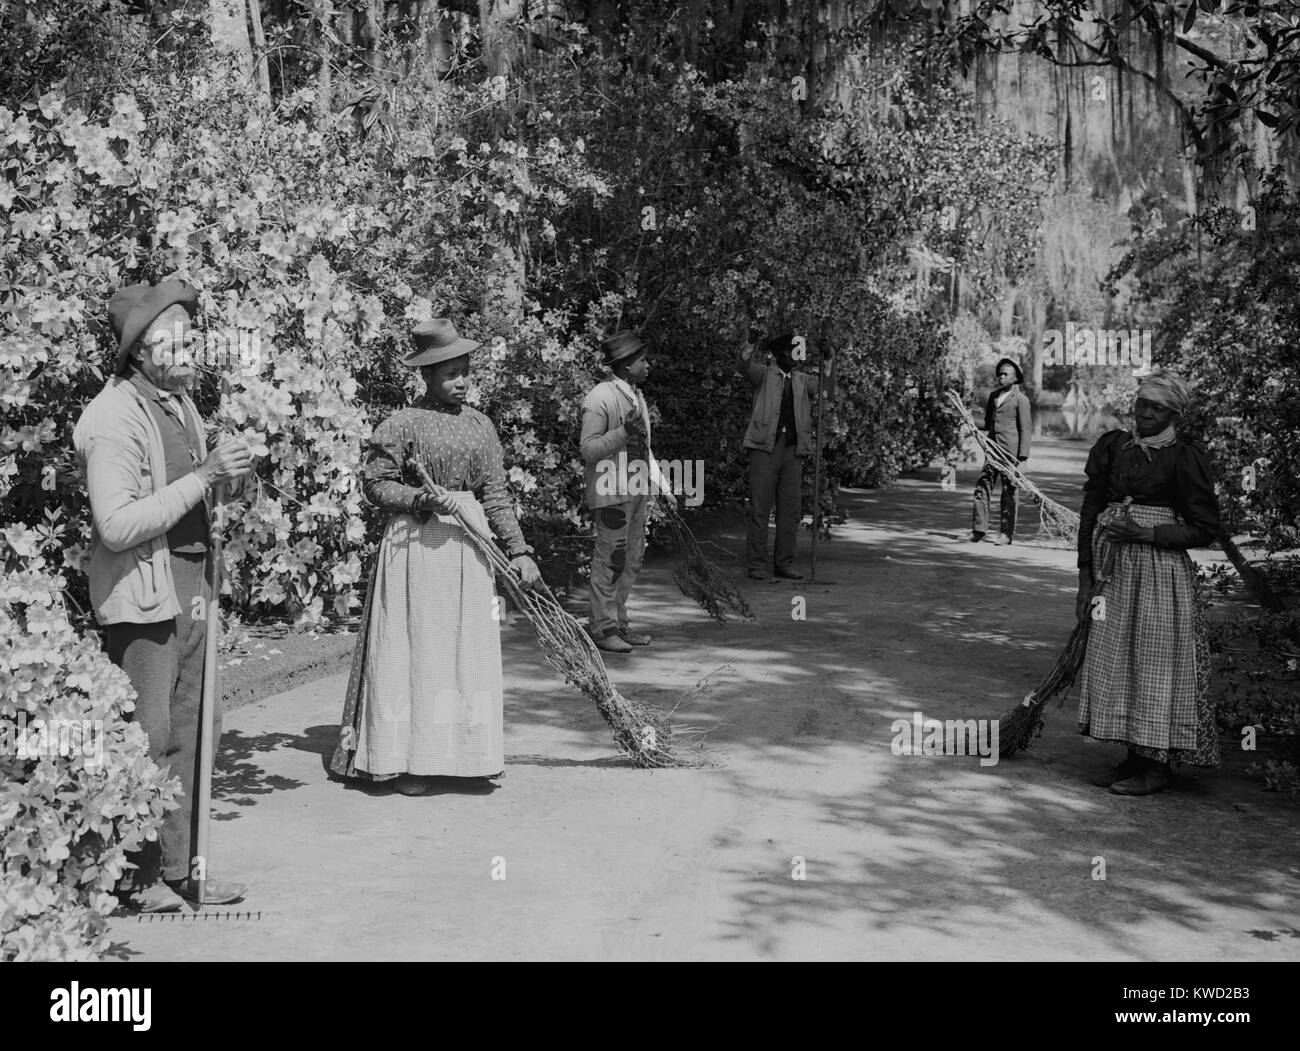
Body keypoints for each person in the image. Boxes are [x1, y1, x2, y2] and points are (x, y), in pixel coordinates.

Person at [73, 277, 253, 913]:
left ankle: (183, 869)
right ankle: (125, 878)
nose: (187, 352)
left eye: (190, 340)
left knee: (192, 727)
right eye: (172, 342)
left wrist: (229, 478)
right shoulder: (112, 417)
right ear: (138, 352)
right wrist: (205, 476)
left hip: (193, 582)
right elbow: (117, 524)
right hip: (143, 591)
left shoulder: (180, 405)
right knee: (144, 735)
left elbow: (197, 497)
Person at [331, 319, 541, 796]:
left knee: (465, 651)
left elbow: (496, 494)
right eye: (450, 374)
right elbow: (374, 484)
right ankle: (409, 761)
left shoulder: (480, 425)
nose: (461, 381)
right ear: (425, 376)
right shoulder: (402, 423)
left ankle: (468, 757)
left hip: (468, 550)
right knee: (416, 650)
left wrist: (520, 550)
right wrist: (420, 499)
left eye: (465, 371)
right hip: (416, 549)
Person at [1074, 370, 1222, 796]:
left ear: (1174, 412)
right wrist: (1085, 578)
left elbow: (1204, 528)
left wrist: (1147, 533)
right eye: (1142, 403)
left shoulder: (1184, 456)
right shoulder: (1113, 447)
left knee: (1156, 663)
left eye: (1157, 407)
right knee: (1119, 660)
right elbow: (1090, 509)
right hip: (1113, 572)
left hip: (1160, 575)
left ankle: (1157, 767)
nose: (1146, 413)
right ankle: (1134, 759)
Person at [579, 330, 662, 654]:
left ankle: (618, 623)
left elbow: (646, 447)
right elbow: (588, 449)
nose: (647, 364)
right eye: (642, 360)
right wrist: (623, 431)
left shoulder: (636, 397)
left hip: (636, 491)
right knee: (609, 560)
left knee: (631, 559)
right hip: (611, 492)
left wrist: (661, 486)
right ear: (627, 365)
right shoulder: (599, 398)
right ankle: (602, 628)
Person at [737, 332, 832, 581]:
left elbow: (825, 392)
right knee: (759, 508)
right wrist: (751, 343)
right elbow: (743, 366)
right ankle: (756, 565)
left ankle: (784, 563)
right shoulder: (764, 374)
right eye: (791, 351)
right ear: (777, 354)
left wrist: (829, 359)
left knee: (790, 510)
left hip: (793, 452)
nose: (796, 356)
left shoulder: (802, 380)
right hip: (764, 450)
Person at [967, 357, 1032, 545]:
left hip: (1010, 453)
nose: (1001, 377)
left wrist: (1023, 459)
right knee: (982, 486)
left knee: (1009, 492)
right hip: (992, 450)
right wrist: (971, 423)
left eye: (1006, 374)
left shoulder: (1021, 400)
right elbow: (988, 424)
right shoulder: (993, 396)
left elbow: (1025, 430)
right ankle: (978, 530)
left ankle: (1006, 533)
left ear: (1015, 378)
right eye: (1000, 374)